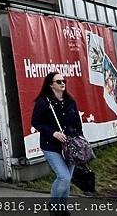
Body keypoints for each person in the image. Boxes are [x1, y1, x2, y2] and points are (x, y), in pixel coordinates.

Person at [31, 72, 83, 215]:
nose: (62, 83)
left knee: (67, 179)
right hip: (51, 145)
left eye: (63, 81)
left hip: (70, 146)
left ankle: (62, 207)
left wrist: (80, 141)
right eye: (59, 81)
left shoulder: (70, 101)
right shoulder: (43, 102)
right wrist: (53, 132)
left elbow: (77, 123)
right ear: (51, 84)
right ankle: (54, 206)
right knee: (63, 177)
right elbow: (35, 122)